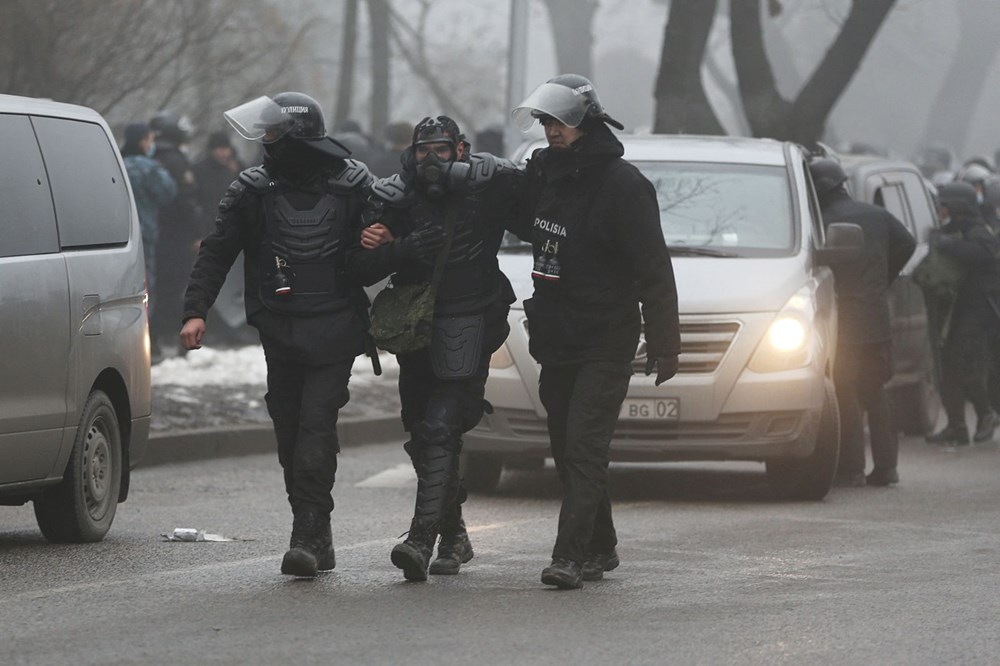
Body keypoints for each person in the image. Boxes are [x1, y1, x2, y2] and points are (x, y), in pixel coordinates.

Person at [179, 92, 374, 578]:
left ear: (295, 136)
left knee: (314, 428)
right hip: (280, 327)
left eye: (272, 133)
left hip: (336, 328)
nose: (264, 143)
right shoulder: (254, 189)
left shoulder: (354, 184)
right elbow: (217, 250)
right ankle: (314, 528)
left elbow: (391, 243)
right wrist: (194, 310)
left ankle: (307, 534)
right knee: (289, 431)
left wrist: (386, 241)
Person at [510, 74, 680, 589]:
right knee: (566, 447)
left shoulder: (624, 186)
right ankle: (602, 545)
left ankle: (569, 555)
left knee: (584, 446)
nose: (550, 131)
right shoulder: (541, 177)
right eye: (544, 122)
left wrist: (665, 342)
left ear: (585, 121)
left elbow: (654, 267)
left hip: (607, 336)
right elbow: (517, 220)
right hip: (557, 334)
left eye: (559, 121)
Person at [348, 116, 522, 582]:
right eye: (423, 149)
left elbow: (528, 203)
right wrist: (400, 249)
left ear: (460, 149)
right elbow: (360, 265)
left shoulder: (485, 186)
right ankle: (455, 533)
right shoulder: (395, 195)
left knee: (442, 425)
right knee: (420, 432)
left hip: (472, 318)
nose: (431, 159)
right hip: (417, 328)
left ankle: (421, 539)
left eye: (441, 149)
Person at [809, 159, 916, 487]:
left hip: (842, 321)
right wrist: (882, 277)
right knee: (876, 392)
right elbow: (908, 243)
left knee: (845, 392)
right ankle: (887, 468)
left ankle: (851, 467)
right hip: (875, 318)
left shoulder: (820, 222)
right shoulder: (877, 215)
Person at [925, 182, 1000, 446]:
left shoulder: (980, 232)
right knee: (949, 368)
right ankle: (957, 427)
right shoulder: (954, 230)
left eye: (944, 205)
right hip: (955, 310)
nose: (941, 209)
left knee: (967, 366)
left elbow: (983, 254)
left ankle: (985, 414)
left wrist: (947, 244)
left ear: (957, 206)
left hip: (979, 311)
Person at [149, 110, 204, 360]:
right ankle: (174, 342)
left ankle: (154, 340)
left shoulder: (146, 157)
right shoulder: (176, 160)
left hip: (152, 234)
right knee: (175, 289)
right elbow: (186, 200)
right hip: (176, 236)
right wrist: (198, 230)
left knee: (153, 289)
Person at [193, 131, 256, 347]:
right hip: (210, 233)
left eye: (226, 148)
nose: (223, 153)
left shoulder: (235, 170)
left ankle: (234, 327)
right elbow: (196, 206)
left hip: (232, 233)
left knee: (233, 282)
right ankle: (215, 329)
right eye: (219, 149)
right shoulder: (200, 171)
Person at [119, 122, 177, 315]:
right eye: (150, 140)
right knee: (145, 287)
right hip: (144, 233)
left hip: (117, 234)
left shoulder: (116, 163)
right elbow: (168, 192)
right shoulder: (149, 168)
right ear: (143, 142)